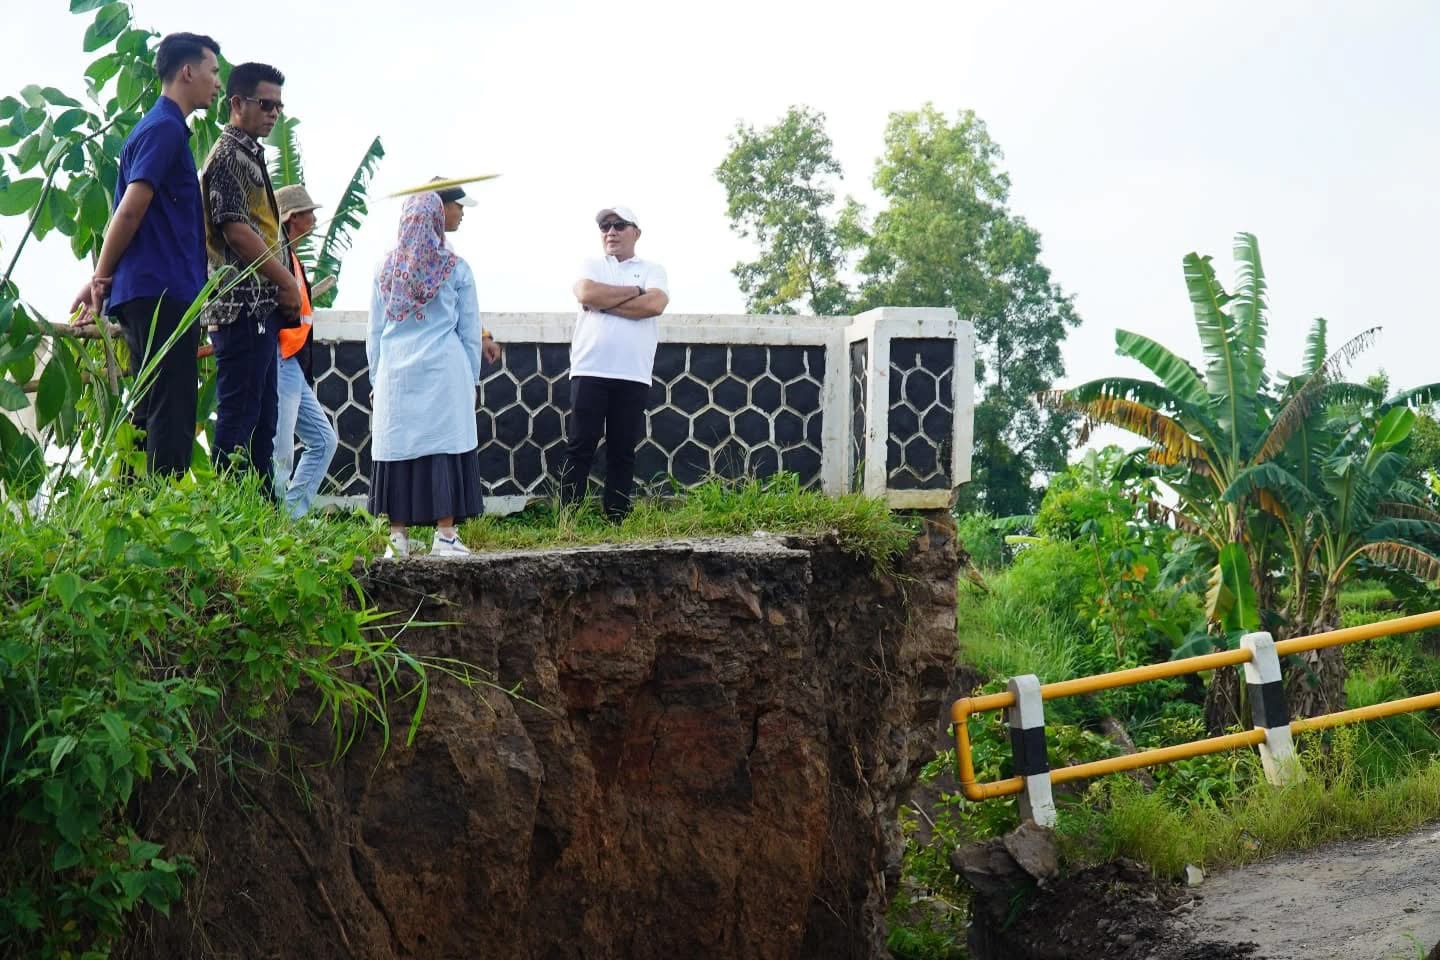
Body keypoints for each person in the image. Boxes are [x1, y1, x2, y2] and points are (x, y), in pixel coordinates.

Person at [70, 32, 222, 477]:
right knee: (170, 412)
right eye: (213, 71)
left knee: (149, 409)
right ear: (187, 71)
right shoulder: (165, 128)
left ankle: (131, 516)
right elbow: (132, 207)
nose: (217, 82)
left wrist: (106, 275)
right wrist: (100, 276)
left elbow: (142, 220)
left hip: (151, 288)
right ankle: (159, 516)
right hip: (164, 293)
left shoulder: (155, 128)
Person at [367, 191, 499, 558]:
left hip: (396, 372)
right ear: (437, 220)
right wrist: (471, 379)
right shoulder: (456, 268)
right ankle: (445, 534)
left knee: (399, 450)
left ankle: (398, 538)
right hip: (444, 371)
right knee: (443, 448)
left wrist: (375, 378)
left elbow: (374, 331)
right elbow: (469, 331)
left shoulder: (384, 269)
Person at [200, 61, 301, 496]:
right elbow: (236, 230)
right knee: (239, 419)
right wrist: (287, 282)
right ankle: (229, 520)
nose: (274, 113)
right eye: (266, 104)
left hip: (260, 308)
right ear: (236, 103)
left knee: (263, 422)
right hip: (239, 307)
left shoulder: (250, 155)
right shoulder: (226, 156)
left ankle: (260, 520)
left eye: (279, 106)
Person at [561, 205, 669, 521]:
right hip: (589, 369)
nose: (611, 232)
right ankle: (567, 518)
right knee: (580, 446)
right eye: (605, 226)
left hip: (632, 374)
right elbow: (585, 293)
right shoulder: (591, 264)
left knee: (622, 451)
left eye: (619, 225)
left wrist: (604, 305)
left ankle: (616, 518)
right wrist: (633, 293)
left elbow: (655, 303)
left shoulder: (653, 269)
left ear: (636, 232)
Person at [271, 183, 338, 518]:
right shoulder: (278, 256)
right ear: (293, 218)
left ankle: (293, 516)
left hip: (292, 363)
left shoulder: (291, 257)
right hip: (282, 359)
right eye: (309, 212)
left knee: (324, 440)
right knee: (281, 451)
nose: (314, 218)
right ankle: (278, 526)